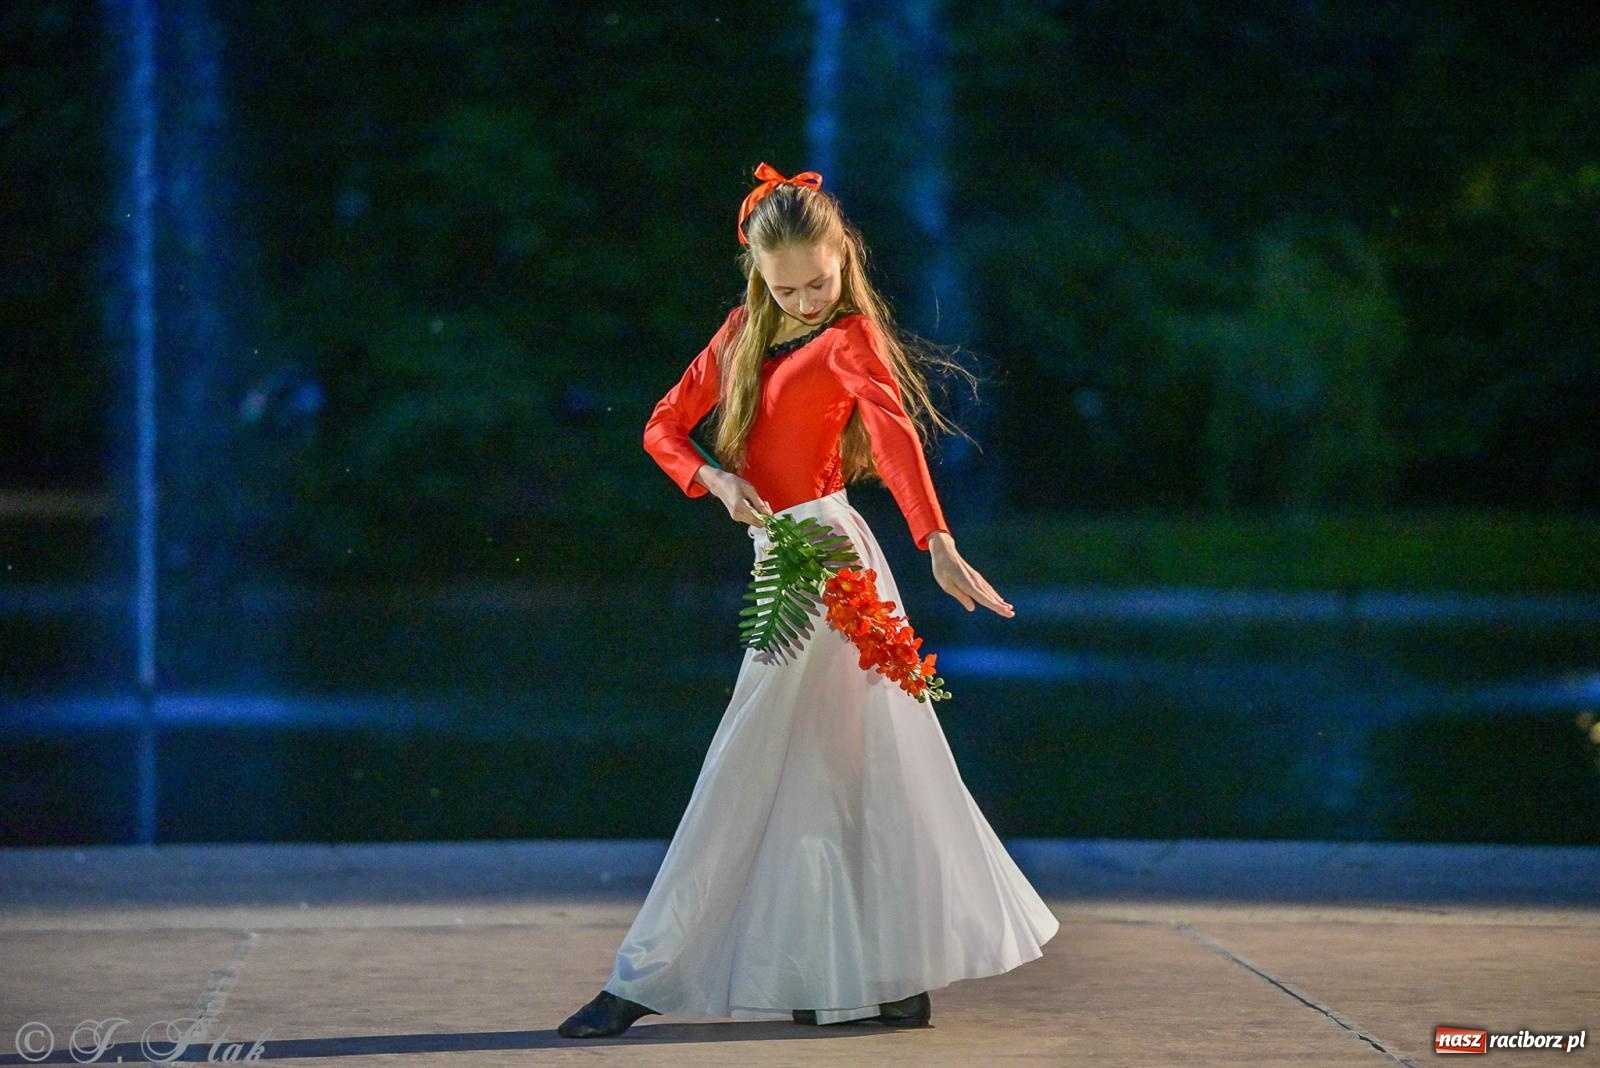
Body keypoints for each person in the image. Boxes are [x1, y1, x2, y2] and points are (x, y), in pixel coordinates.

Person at [557, 162, 1059, 1039]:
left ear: (844, 259)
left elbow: (896, 437)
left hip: (829, 557)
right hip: (775, 554)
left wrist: (936, 542)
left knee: (780, 758)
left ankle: (643, 977)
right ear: (756, 272)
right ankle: (880, 977)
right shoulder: (739, 334)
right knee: (830, 765)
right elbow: (660, 428)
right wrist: (713, 479)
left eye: (817, 283)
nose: (801, 301)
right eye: (783, 287)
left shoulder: (853, 339)